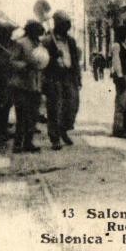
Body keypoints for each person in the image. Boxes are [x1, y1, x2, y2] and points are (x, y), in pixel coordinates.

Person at [42, 10, 81, 150]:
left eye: (68, 24)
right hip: (54, 76)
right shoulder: (47, 41)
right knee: (54, 107)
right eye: (64, 24)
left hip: (69, 76)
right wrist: (53, 57)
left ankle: (63, 129)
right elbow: (42, 61)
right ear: (57, 24)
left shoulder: (71, 41)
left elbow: (75, 60)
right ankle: (55, 138)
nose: (67, 27)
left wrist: (78, 77)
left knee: (72, 105)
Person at [9, 20, 45, 153]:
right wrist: (25, 66)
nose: (39, 35)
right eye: (37, 31)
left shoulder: (38, 44)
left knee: (33, 116)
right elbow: (12, 61)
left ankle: (28, 142)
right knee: (22, 116)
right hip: (21, 85)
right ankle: (18, 144)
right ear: (30, 31)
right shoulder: (20, 43)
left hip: (35, 84)